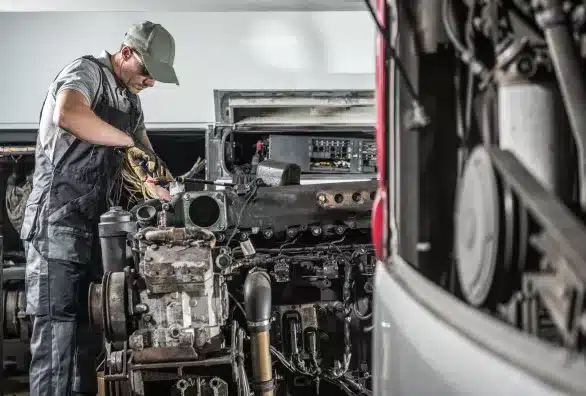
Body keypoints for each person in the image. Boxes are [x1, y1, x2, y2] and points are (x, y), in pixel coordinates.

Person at [20, 21, 179, 396]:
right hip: (55, 230)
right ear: (126, 54)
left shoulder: (130, 102)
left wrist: (170, 191)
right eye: (147, 72)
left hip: (96, 234)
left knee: (91, 343)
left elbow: (147, 161)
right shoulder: (85, 72)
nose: (150, 82)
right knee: (57, 342)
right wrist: (126, 143)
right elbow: (70, 115)